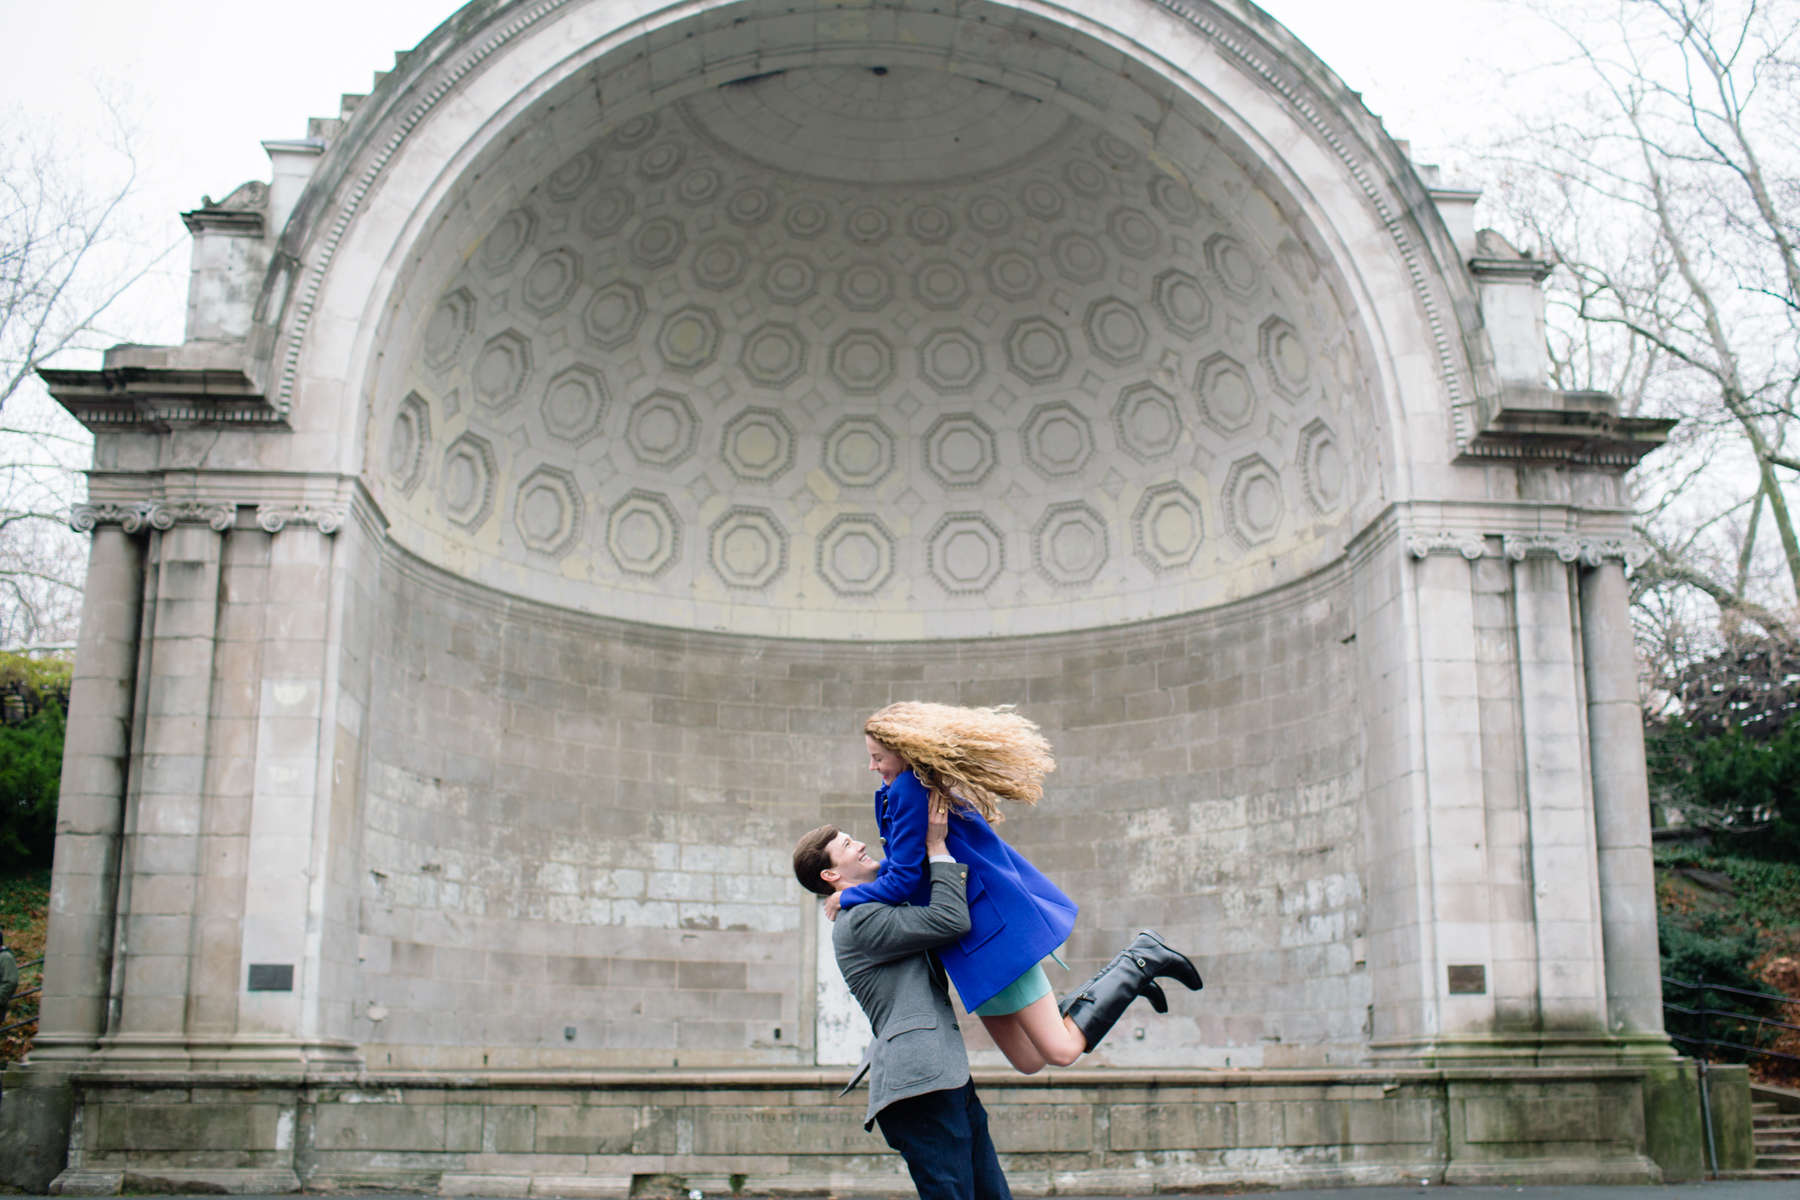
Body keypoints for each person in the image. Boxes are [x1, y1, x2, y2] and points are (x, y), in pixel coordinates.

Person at [827, 701, 1202, 1073]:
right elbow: (906, 864)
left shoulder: (909, 787)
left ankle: (1139, 961)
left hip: (990, 936)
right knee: (1028, 1061)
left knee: (1061, 1051)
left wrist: (847, 894)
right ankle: (1114, 991)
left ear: (904, 752)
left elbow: (904, 879)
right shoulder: (907, 785)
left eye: (878, 758)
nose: (873, 767)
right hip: (967, 945)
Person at [795, 806, 1011, 1200]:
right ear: (830, 875)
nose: (860, 843)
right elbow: (950, 920)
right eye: (847, 844)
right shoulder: (859, 920)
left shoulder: (865, 904)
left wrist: (852, 893)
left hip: (944, 1075)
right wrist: (936, 844)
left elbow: (904, 872)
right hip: (918, 1086)